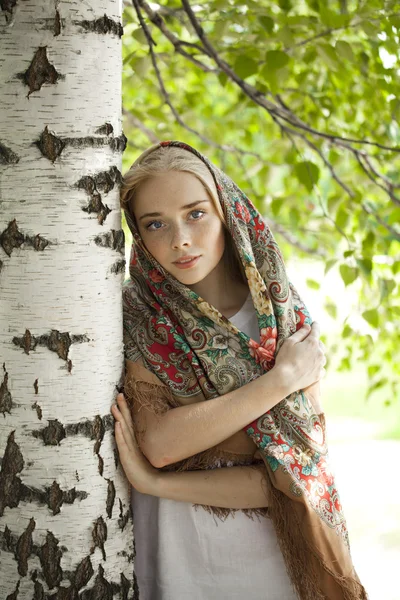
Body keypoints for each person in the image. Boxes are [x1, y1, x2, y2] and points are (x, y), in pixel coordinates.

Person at [112, 141, 367, 600]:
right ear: (138, 233)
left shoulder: (283, 317)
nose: (180, 239)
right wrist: (280, 381)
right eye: (155, 224)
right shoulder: (139, 316)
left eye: (195, 214)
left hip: (276, 566)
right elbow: (161, 443)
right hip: (179, 561)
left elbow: (293, 476)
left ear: (226, 211)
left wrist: (154, 482)